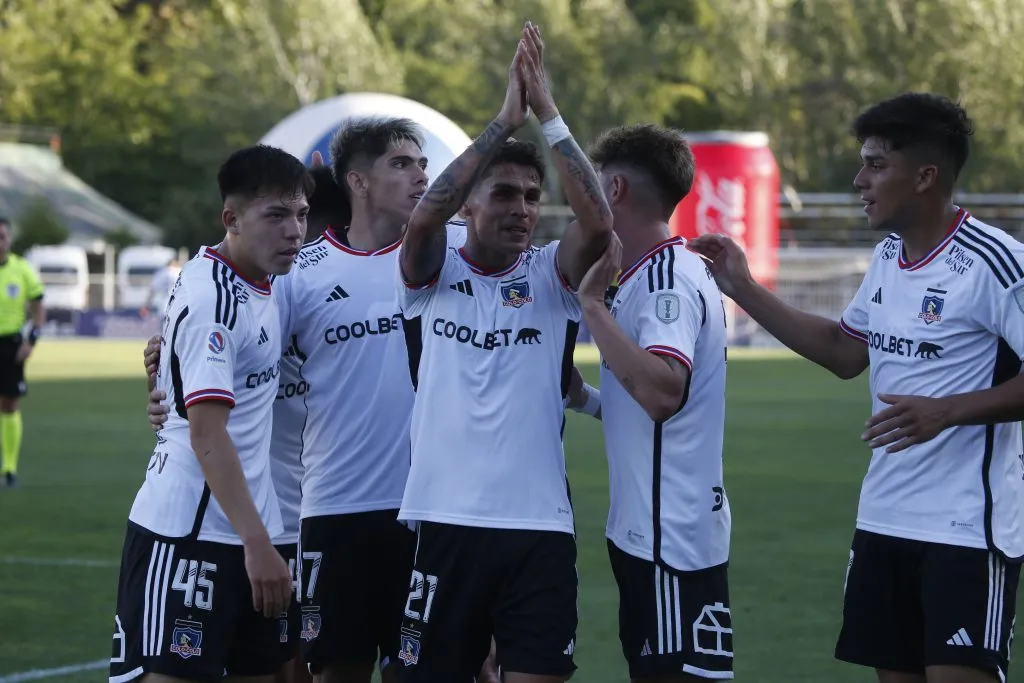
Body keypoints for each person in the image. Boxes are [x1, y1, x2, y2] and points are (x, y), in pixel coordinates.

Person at [690, 93, 1023, 683]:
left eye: (875, 164)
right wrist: (741, 286)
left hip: (968, 530)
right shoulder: (888, 256)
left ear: (925, 176)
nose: (859, 180)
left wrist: (946, 412)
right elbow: (845, 352)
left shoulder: (996, 263)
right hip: (883, 522)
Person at [395, 22, 612, 683]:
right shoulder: (433, 274)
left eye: (531, 196)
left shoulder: (550, 273)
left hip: (538, 527)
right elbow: (424, 218)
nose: (522, 209)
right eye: (504, 194)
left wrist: (547, 112)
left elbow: (599, 223)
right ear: (468, 205)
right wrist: (501, 123)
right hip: (445, 520)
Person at [109, 144, 310, 683]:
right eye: (276, 215)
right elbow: (207, 435)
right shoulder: (214, 299)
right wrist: (258, 544)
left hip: (250, 527)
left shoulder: (260, 280)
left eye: (301, 215)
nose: (294, 231)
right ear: (232, 219)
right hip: (190, 534)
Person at [575, 124, 733, 682]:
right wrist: (585, 400)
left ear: (615, 189)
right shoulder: (650, 271)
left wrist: (592, 307)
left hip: (670, 538)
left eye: (595, 184)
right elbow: (650, 411)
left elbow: (664, 393)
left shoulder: (666, 279)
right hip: (649, 532)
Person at [0, 216, 45, 489]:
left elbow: (38, 305)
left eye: (3, 237)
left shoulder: (22, 269)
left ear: (9, 239)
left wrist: (31, 341)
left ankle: (9, 467)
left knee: (9, 404)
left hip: (11, 345)